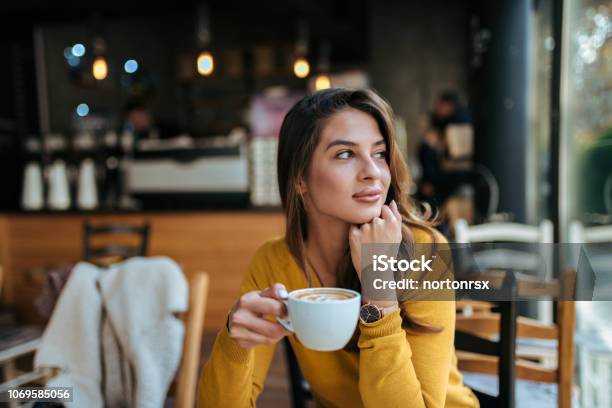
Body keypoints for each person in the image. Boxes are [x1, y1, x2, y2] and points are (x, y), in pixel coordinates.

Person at [198, 88, 479, 407]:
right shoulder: (275, 260)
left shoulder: (426, 252)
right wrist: (235, 343)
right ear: (300, 178)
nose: (372, 172)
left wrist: (379, 289)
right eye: (345, 154)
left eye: (379, 153)